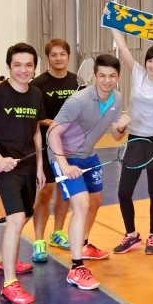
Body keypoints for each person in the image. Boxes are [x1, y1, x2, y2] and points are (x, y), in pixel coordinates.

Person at [48, 54, 130, 290]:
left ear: (118, 76)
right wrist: (64, 166)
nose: (107, 80)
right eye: (102, 75)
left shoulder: (117, 98)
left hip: (88, 155)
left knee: (96, 200)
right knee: (82, 204)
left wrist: (122, 128)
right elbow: (52, 133)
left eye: (112, 76)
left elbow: (115, 135)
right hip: (64, 155)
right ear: (94, 76)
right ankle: (76, 268)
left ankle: (83, 244)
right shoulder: (78, 101)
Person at [0, 43, 46, 304]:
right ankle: (9, 284)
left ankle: (2, 259)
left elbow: (36, 131)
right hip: (2, 169)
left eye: (28, 65)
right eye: (17, 65)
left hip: (28, 166)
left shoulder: (36, 94)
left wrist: (40, 165)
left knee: (25, 215)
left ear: (34, 68)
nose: (23, 70)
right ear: (9, 66)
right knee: (15, 219)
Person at [108, 25, 153, 255]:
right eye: (150, 60)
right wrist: (112, 23)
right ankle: (131, 235)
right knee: (123, 192)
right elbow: (123, 47)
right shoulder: (137, 73)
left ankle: (152, 236)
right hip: (135, 140)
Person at [29, 39, 77, 262]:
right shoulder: (38, 84)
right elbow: (33, 117)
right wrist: (52, 123)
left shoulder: (76, 82)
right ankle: (38, 240)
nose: (58, 58)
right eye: (54, 55)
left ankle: (58, 232)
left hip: (70, 145)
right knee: (45, 190)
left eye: (62, 54)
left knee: (64, 190)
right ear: (47, 58)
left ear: (68, 56)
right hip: (46, 145)